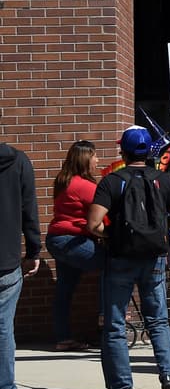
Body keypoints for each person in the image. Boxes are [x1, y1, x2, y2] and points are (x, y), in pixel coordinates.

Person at [86, 127, 170, 389]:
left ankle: (121, 388)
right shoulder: (165, 181)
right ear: (149, 152)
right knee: (158, 321)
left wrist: (114, 234)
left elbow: (93, 225)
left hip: (120, 257)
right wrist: (155, 231)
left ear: (124, 152)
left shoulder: (111, 181)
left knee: (115, 324)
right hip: (153, 258)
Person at [45, 140, 106, 349]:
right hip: (72, 239)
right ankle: (108, 327)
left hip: (57, 239)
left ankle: (63, 338)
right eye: (95, 156)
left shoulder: (63, 180)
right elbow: (105, 212)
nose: (98, 160)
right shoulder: (84, 186)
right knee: (112, 266)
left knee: (65, 288)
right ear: (85, 159)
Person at [0, 130, 40, 389]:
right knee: (3, 328)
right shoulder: (19, 161)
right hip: (6, 259)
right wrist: (34, 250)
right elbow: (30, 210)